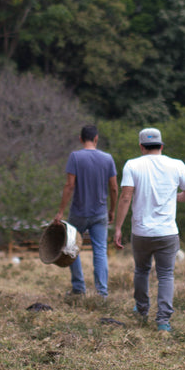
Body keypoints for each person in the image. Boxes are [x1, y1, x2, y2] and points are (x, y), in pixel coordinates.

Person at [113, 127, 185, 332]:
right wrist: (173, 197)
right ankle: (163, 321)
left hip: (141, 232)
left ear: (141, 147)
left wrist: (117, 228)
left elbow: (125, 197)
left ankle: (142, 309)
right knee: (166, 275)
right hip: (168, 232)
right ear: (161, 145)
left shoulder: (132, 165)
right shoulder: (176, 165)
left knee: (141, 270)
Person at [53, 124, 118, 297]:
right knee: (100, 250)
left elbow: (69, 186)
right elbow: (113, 188)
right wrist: (112, 210)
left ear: (81, 139)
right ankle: (102, 293)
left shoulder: (75, 157)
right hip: (100, 213)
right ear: (96, 139)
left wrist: (60, 211)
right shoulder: (108, 158)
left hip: (78, 213)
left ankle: (78, 288)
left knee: (72, 248)